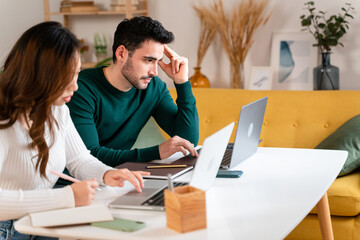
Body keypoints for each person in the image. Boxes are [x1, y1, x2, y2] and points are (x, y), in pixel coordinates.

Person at [0, 21, 149, 239]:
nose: (75, 86)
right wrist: (66, 197)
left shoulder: (56, 110)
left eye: (77, 73)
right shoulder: (4, 121)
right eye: (65, 76)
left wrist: (107, 174)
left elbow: (79, 160)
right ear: (40, 75)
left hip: (40, 220)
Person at [67, 16, 199, 168]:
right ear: (121, 53)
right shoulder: (81, 89)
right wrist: (157, 152)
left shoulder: (153, 87)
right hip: (75, 184)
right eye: (148, 60)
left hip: (119, 178)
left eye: (158, 61)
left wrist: (182, 83)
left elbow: (188, 143)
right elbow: (88, 157)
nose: (155, 72)